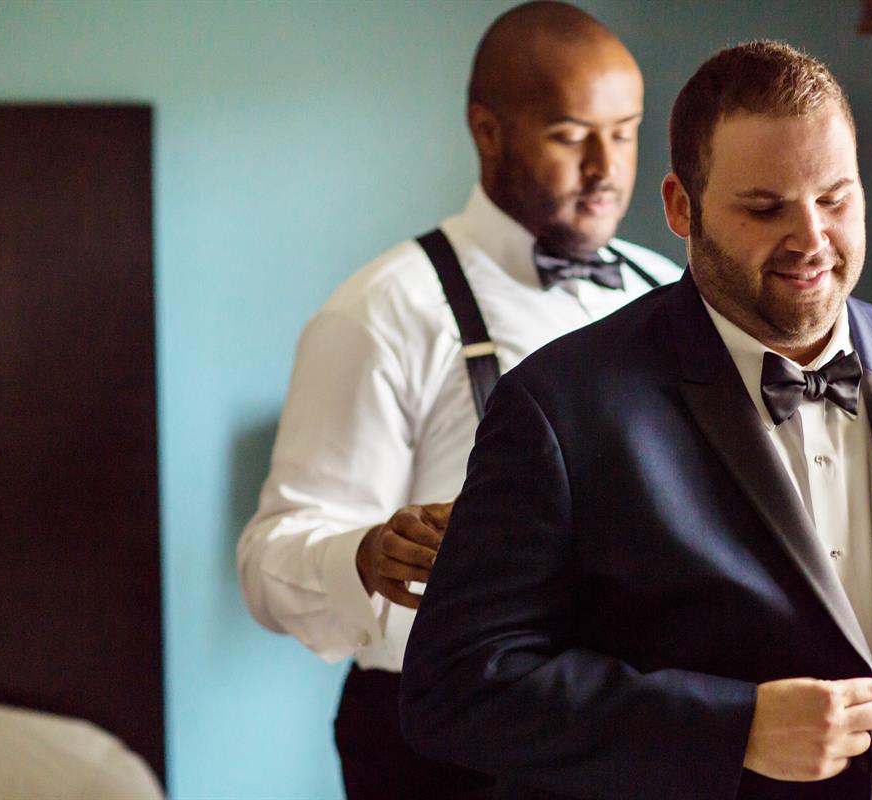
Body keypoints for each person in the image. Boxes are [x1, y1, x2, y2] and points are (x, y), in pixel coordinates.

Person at [399, 40, 872, 800]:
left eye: (835, 199)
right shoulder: (557, 410)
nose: (811, 240)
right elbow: (457, 685)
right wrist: (734, 730)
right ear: (681, 207)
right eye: (765, 208)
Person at [236, 3, 680, 798]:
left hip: (626, 726)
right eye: (570, 135)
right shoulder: (383, 311)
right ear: (488, 131)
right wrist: (365, 555)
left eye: (624, 132)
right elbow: (269, 557)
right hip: (441, 745)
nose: (606, 167)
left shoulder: (669, 293)